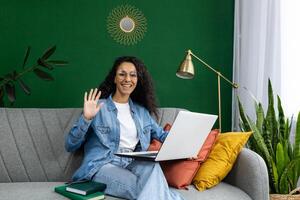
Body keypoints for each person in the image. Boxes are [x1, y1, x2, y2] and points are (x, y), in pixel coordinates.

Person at [65, 56, 184, 200]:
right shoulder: (98, 107)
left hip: (133, 162)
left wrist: (188, 143)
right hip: (103, 165)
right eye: (122, 74)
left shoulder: (141, 112)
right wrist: (87, 118)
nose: (127, 79)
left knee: (154, 167)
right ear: (114, 78)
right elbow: (70, 144)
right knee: (145, 189)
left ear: (137, 80)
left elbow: (162, 135)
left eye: (132, 75)